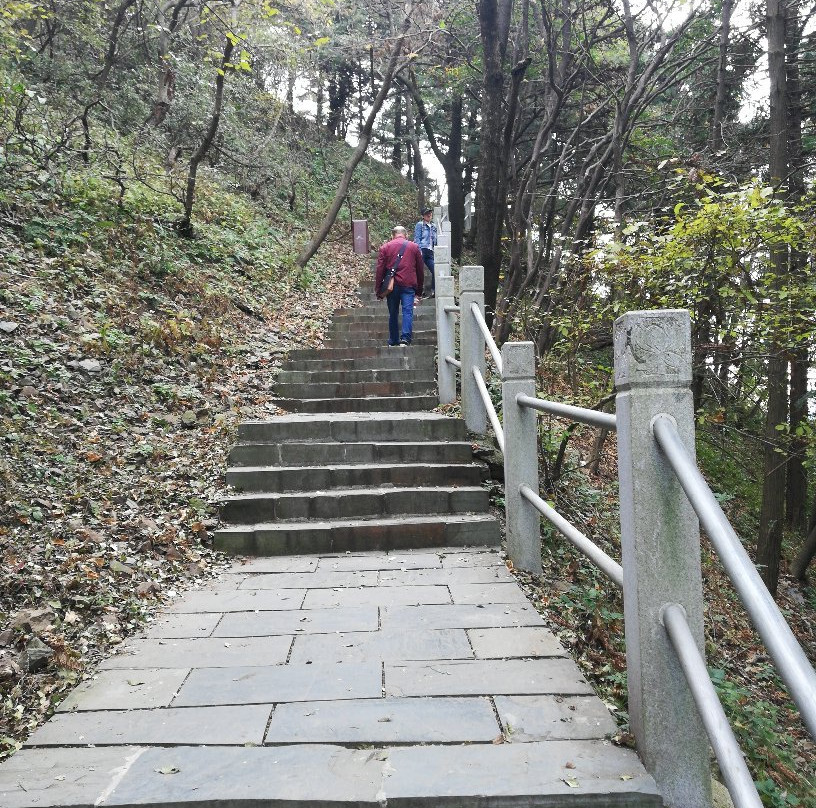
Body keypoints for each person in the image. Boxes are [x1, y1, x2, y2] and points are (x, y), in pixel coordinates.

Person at [375, 225, 424, 346]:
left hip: (392, 286)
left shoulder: (385, 247)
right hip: (409, 285)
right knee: (408, 311)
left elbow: (380, 270)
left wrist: (378, 290)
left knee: (393, 312)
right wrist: (419, 291)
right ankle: (405, 338)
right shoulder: (414, 247)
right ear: (406, 235)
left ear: (392, 236)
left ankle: (393, 340)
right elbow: (420, 270)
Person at [413, 206, 437, 298]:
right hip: (422, 249)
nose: (429, 215)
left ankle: (433, 291)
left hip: (430, 251)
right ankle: (418, 291)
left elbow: (435, 240)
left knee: (435, 270)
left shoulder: (434, 226)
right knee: (419, 271)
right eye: (427, 213)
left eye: (430, 213)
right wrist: (419, 251)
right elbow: (417, 238)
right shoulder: (420, 225)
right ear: (423, 216)